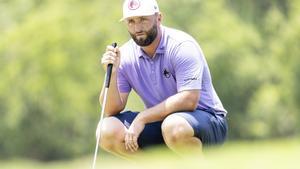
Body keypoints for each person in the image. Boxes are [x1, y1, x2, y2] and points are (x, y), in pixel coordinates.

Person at [98, 0, 228, 158]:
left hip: (205, 119)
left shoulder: (181, 45)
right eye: (131, 21)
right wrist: (111, 73)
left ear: (158, 18)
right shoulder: (124, 56)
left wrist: (143, 118)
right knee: (106, 130)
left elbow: (189, 100)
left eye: (143, 19)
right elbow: (110, 110)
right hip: (162, 122)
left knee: (173, 126)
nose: (137, 28)